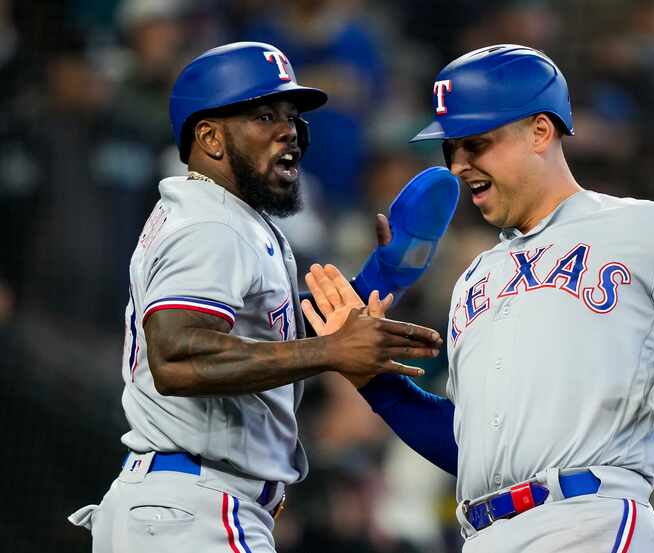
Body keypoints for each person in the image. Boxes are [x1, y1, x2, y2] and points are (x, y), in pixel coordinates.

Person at [301, 44, 654, 553]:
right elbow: (470, 451)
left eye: (476, 144)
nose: (459, 165)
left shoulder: (646, 229)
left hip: (589, 520)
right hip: (484, 534)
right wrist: (372, 380)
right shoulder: (473, 279)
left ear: (540, 131)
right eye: (451, 149)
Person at [66, 41, 447, 553]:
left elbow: (270, 340)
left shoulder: (226, 218)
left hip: (183, 506)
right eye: (264, 115)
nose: (289, 130)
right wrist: (331, 352)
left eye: (291, 117)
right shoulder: (210, 225)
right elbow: (177, 357)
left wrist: (382, 276)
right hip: (193, 508)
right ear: (210, 138)